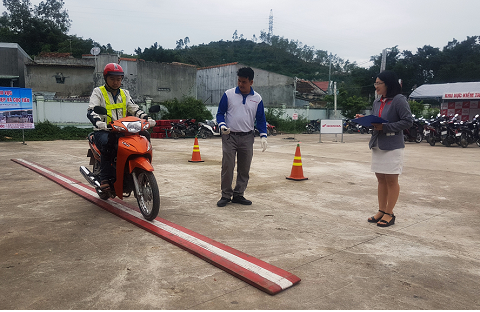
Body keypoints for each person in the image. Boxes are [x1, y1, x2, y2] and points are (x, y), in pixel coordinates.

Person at [356, 70, 413, 227]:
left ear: (388, 83)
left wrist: (385, 126)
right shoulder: (377, 102)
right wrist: (365, 120)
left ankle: (389, 213)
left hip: (393, 146)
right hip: (378, 144)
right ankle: (381, 210)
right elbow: (377, 122)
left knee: (391, 180)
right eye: (375, 83)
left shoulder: (398, 100)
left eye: (378, 83)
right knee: (381, 179)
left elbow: (408, 121)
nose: (376, 87)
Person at [87, 63, 156, 192]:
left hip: (124, 129)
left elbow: (134, 109)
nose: (115, 82)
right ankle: (105, 178)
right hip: (104, 130)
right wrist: (99, 123)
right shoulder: (98, 92)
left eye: (118, 79)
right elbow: (91, 110)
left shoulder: (124, 93)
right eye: (112, 79)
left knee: (145, 134)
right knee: (109, 144)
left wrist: (146, 118)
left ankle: (141, 166)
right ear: (106, 78)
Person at [216, 67, 268, 207]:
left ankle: (239, 194)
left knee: (244, 168)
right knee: (228, 166)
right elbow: (220, 113)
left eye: (244, 82)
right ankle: (225, 195)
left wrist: (263, 135)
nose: (240, 84)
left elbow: (261, 119)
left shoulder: (257, 99)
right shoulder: (229, 94)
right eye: (239, 81)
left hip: (247, 137)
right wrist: (221, 124)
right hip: (229, 136)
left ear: (251, 82)